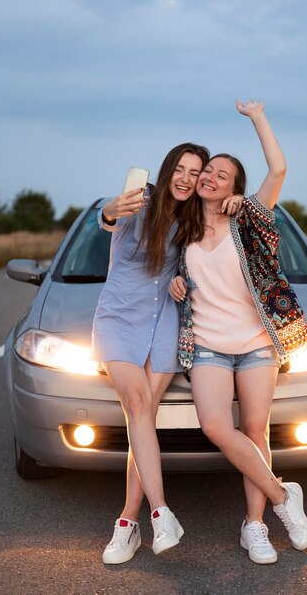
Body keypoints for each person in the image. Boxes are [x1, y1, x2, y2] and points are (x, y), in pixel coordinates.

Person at [169, 100, 307, 565]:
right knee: (215, 426)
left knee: (254, 429)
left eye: (221, 174)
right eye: (207, 170)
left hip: (255, 346)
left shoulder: (251, 219)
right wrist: (175, 283)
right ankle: (282, 495)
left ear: (236, 188)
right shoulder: (181, 228)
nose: (209, 177)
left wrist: (256, 116)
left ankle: (255, 526)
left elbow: (280, 167)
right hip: (208, 345)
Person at [92, 142, 210, 564]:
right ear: (168, 169)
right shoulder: (138, 202)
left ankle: (128, 522)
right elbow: (107, 217)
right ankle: (160, 512)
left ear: (202, 181)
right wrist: (110, 208)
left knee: (141, 418)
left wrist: (182, 280)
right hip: (119, 322)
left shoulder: (193, 221)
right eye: (180, 168)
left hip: (164, 323)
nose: (185, 178)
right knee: (139, 405)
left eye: (195, 173)